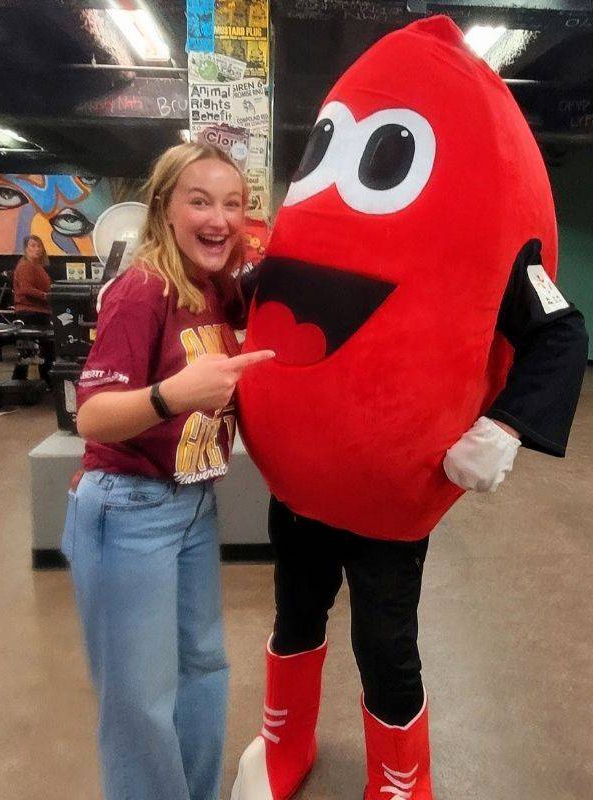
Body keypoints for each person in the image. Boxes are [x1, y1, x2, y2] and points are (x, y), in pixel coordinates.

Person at [231, 16, 589, 800]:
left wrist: (507, 425)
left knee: (385, 642)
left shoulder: (503, 238)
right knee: (296, 614)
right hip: (297, 490)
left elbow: (560, 334)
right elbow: (269, 288)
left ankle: (401, 780)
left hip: (389, 504)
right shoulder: (314, 219)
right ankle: (282, 745)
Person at [61, 143, 274, 800]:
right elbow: (92, 417)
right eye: (200, 200)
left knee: (204, 675)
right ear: (164, 209)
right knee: (141, 705)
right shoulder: (142, 289)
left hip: (189, 505)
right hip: (128, 509)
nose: (219, 217)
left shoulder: (214, 288)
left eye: (232, 203)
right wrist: (174, 395)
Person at [11, 235, 54, 384]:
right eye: (33, 246)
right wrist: (46, 296)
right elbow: (26, 289)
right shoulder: (25, 266)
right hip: (30, 311)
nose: (37, 249)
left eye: (39, 246)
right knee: (45, 347)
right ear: (26, 249)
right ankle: (47, 381)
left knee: (39, 349)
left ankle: (42, 380)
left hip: (39, 311)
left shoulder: (38, 267)